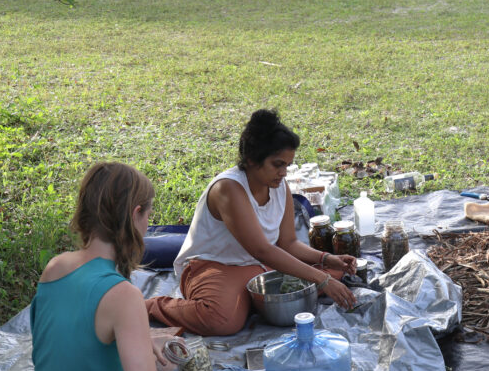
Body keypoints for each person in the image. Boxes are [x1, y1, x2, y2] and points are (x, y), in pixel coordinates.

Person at [30, 162, 259, 371]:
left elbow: (71, 338)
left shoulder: (56, 267)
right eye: (149, 216)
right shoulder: (122, 294)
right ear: (136, 214)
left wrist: (145, 341)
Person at [146, 109, 357, 336]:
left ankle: (249, 299)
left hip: (260, 266)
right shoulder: (229, 189)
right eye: (278, 164)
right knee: (222, 320)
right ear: (251, 160)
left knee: (337, 274)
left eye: (287, 165)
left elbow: (288, 243)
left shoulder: (278, 186)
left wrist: (327, 259)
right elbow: (262, 249)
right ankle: (151, 306)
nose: (284, 173)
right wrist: (322, 279)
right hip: (217, 266)